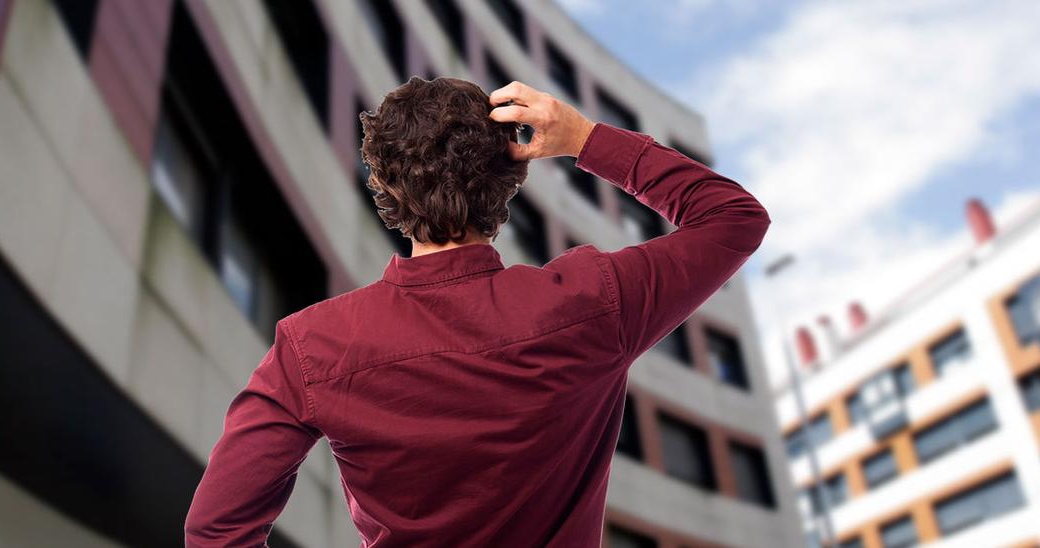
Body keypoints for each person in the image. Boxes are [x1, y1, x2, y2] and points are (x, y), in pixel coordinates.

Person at [183, 77, 770, 547]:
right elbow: (734, 218)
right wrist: (582, 137)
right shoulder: (594, 299)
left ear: (383, 181)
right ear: (510, 176)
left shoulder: (315, 345)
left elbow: (216, 531)